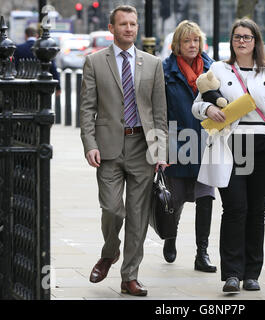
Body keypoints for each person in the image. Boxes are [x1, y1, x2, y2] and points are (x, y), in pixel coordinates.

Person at [192, 18, 265, 293]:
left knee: (256, 210)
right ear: (232, 40)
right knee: (235, 208)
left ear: (256, 41)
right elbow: (198, 104)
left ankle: (252, 273)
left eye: (247, 37)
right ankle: (232, 274)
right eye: (237, 37)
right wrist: (208, 110)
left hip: (262, 146)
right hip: (230, 145)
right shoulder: (218, 69)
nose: (242, 41)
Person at [80, 5, 168, 297]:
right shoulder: (94, 62)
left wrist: (160, 150)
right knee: (112, 209)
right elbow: (87, 108)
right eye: (123, 24)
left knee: (137, 215)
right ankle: (110, 251)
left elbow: (159, 112)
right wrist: (90, 145)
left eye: (133, 24)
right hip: (107, 149)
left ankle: (129, 276)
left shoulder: (153, 64)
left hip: (142, 148)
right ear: (112, 28)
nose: (129, 28)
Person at [162, 20, 217, 273]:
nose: (192, 45)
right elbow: (158, 112)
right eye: (187, 40)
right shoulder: (165, 71)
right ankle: (170, 237)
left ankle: (202, 253)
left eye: (196, 40)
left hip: (207, 144)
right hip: (177, 143)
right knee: (174, 200)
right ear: (177, 45)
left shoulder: (213, 70)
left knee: (206, 199)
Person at [13, 26, 61, 96]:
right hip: (41, 83)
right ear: (36, 35)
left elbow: (15, 66)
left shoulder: (19, 49)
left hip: (23, 84)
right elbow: (52, 68)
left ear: (26, 35)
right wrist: (58, 87)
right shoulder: (43, 48)